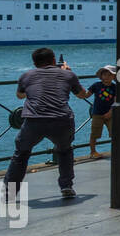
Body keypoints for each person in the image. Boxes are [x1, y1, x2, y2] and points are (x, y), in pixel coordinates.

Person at [6, 47, 90, 199]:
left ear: (34, 63)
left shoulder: (26, 75)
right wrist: (69, 73)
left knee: (21, 154)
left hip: (34, 121)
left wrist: (33, 90)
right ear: (53, 60)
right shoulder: (68, 74)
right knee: (64, 151)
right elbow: (82, 95)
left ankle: (9, 193)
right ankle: (66, 186)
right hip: (61, 120)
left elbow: (19, 96)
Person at [86, 65, 118, 159]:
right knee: (94, 133)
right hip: (97, 113)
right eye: (105, 74)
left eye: (110, 75)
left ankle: (116, 150)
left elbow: (116, 101)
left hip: (110, 113)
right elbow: (86, 95)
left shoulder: (114, 87)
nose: (107, 77)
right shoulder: (96, 85)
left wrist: (111, 112)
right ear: (101, 76)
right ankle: (93, 151)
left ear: (114, 77)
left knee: (114, 132)